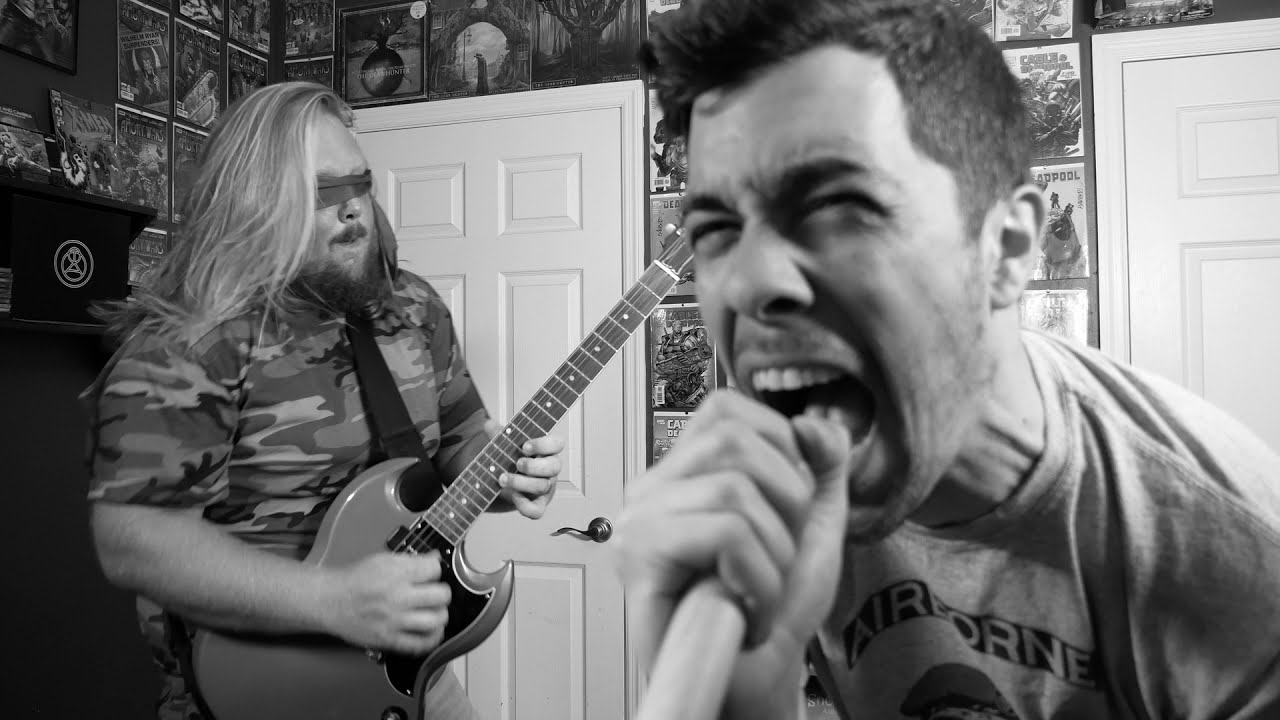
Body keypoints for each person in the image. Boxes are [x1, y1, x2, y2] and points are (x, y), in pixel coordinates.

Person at [614, 1, 1280, 719]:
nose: (748, 283)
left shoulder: (1230, 567)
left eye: (839, 205)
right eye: (716, 230)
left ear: (1008, 248)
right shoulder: (770, 504)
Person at [83, 82, 564, 720]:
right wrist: (331, 600)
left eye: (359, 182)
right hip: (256, 692)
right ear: (253, 202)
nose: (353, 209)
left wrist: (508, 473)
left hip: (412, 680)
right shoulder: (191, 341)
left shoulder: (414, 309)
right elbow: (134, 540)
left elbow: (459, 445)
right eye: (323, 192)